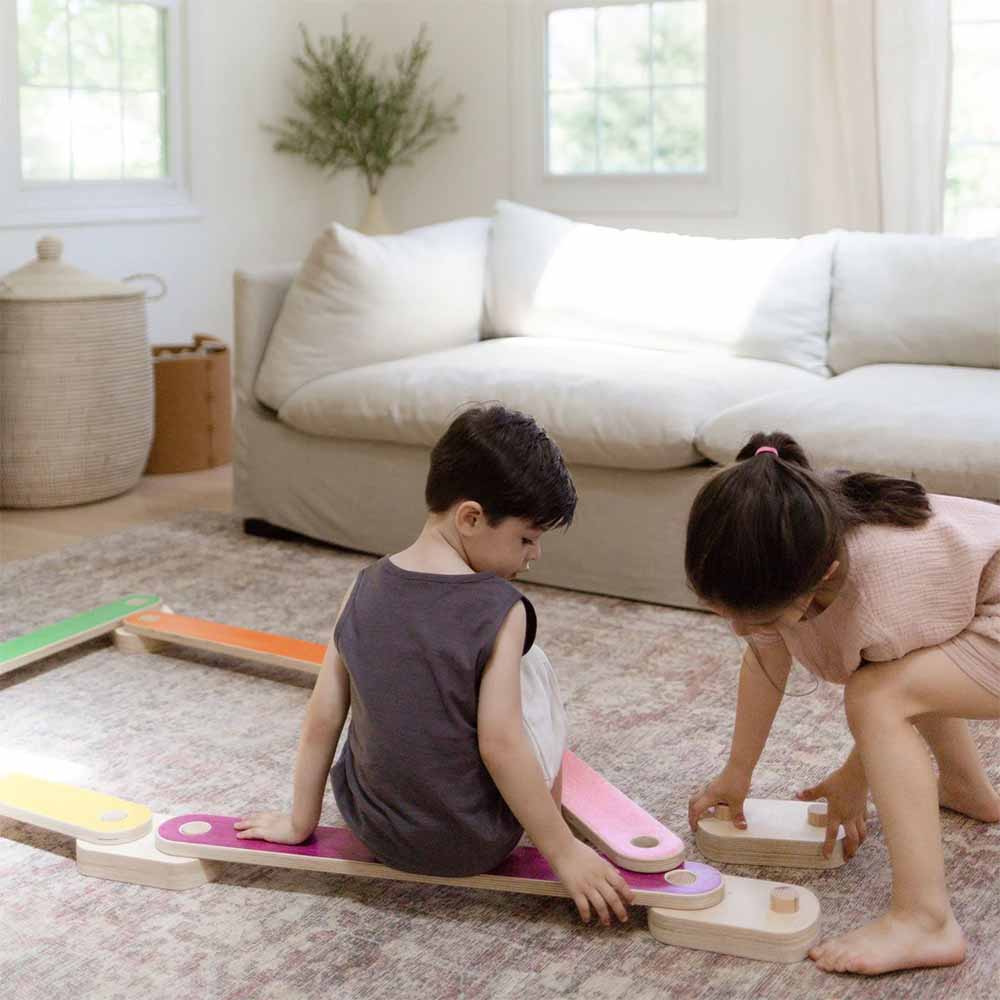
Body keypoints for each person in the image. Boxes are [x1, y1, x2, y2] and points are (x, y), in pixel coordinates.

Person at [235, 403, 633, 926]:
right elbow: (501, 743)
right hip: (475, 844)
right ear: (470, 518)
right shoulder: (501, 607)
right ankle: (549, 819)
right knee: (532, 663)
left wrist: (299, 821)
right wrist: (562, 852)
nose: (533, 556)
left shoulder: (361, 586)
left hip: (375, 831)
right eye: (526, 539)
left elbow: (323, 718)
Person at [685, 431, 1000, 975]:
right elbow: (764, 665)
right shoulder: (793, 535)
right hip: (972, 602)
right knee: (909, 674)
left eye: (759, 618)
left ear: (823, 575)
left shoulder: (887, 585)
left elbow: (900, 703)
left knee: (881, 696)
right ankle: (964, 786)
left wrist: (854, 783)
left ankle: (926, 920)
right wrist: (737, 772)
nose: (741, 630)